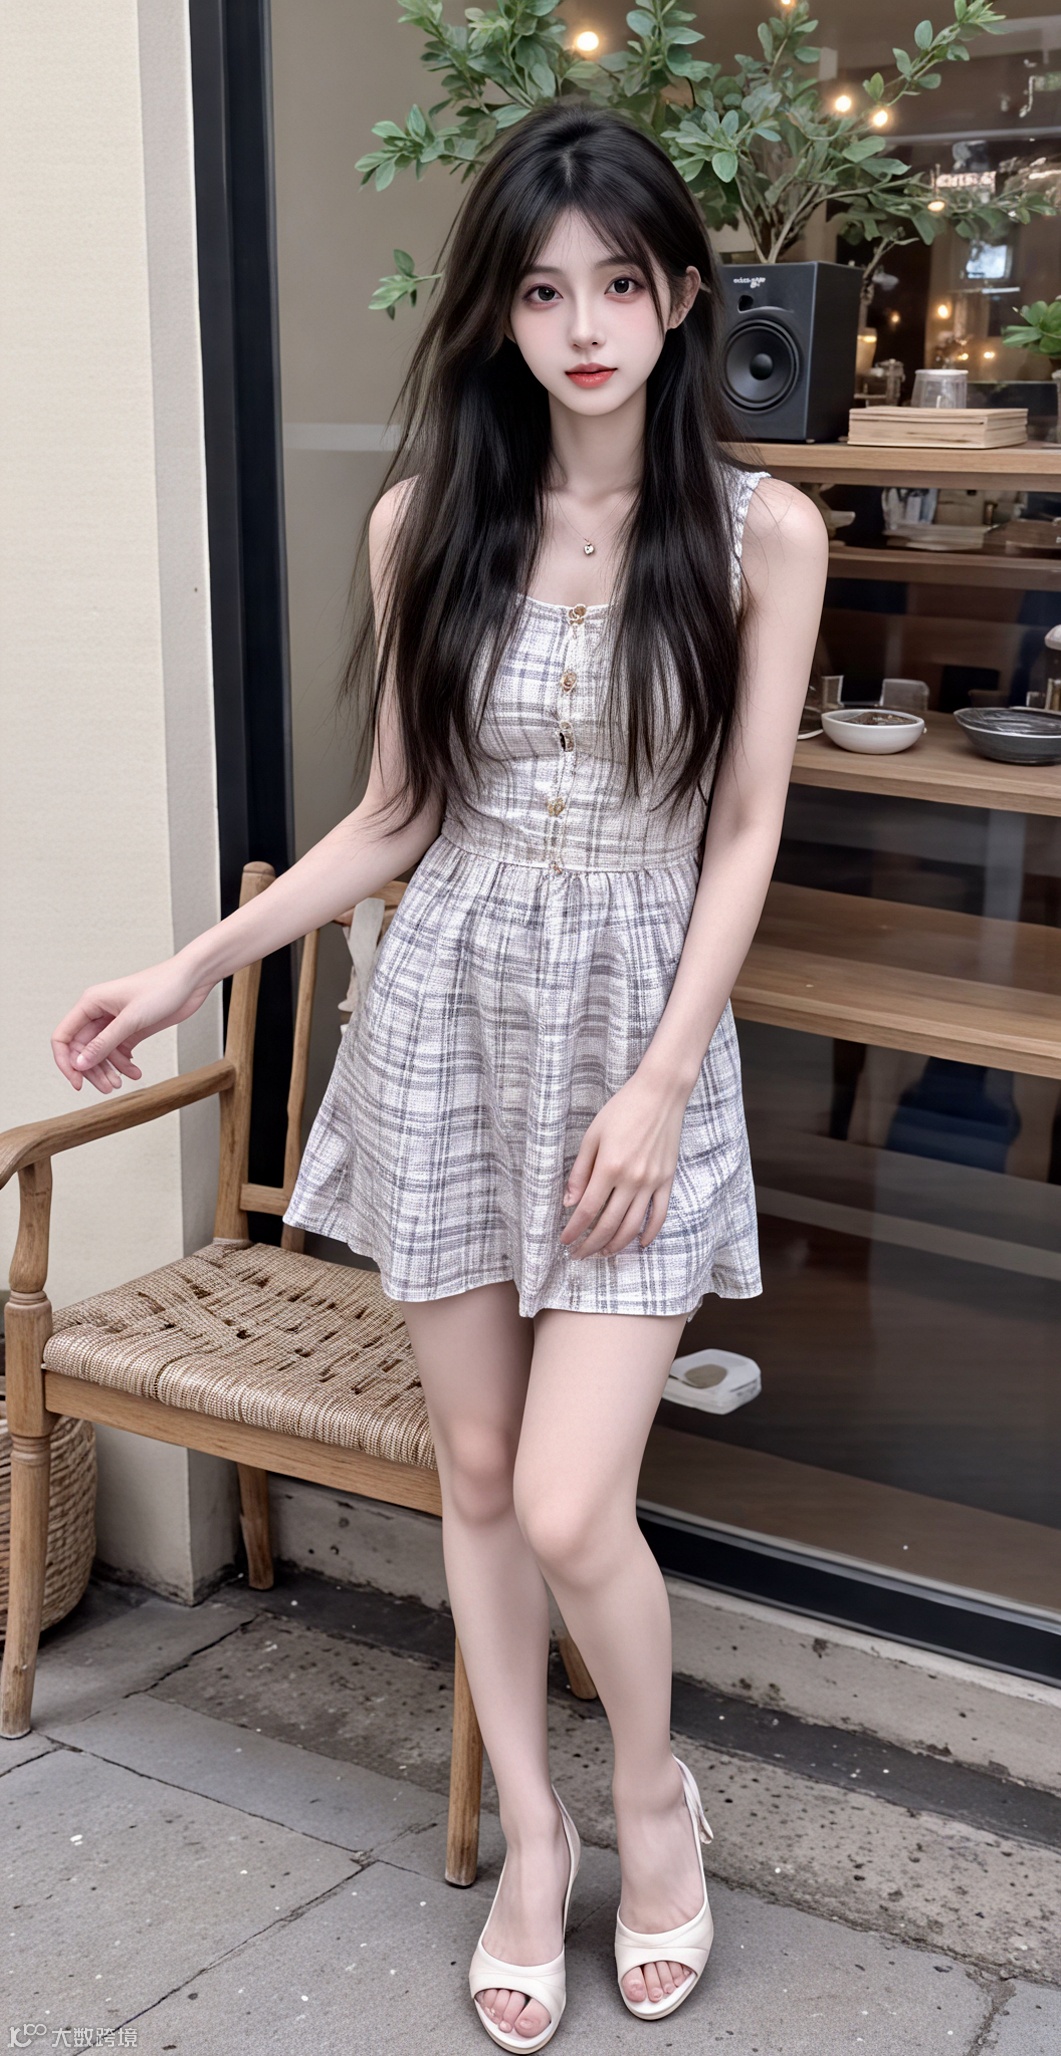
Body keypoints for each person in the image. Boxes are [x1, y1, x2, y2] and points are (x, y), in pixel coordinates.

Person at [52, 102, 827, 2052]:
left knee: (570, 1499)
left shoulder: (760, 535)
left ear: (681, 298)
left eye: (620, 284)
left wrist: (662, 1078)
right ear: (498, 311)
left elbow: (743, 830)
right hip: (451, 1031)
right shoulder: (427, 524)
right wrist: (191, 968)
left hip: (636, 1048)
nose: (585, 327)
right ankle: (537, 1843)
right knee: (473, 1471)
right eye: (544, 291)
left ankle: (656, 1803)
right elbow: (399, 813)